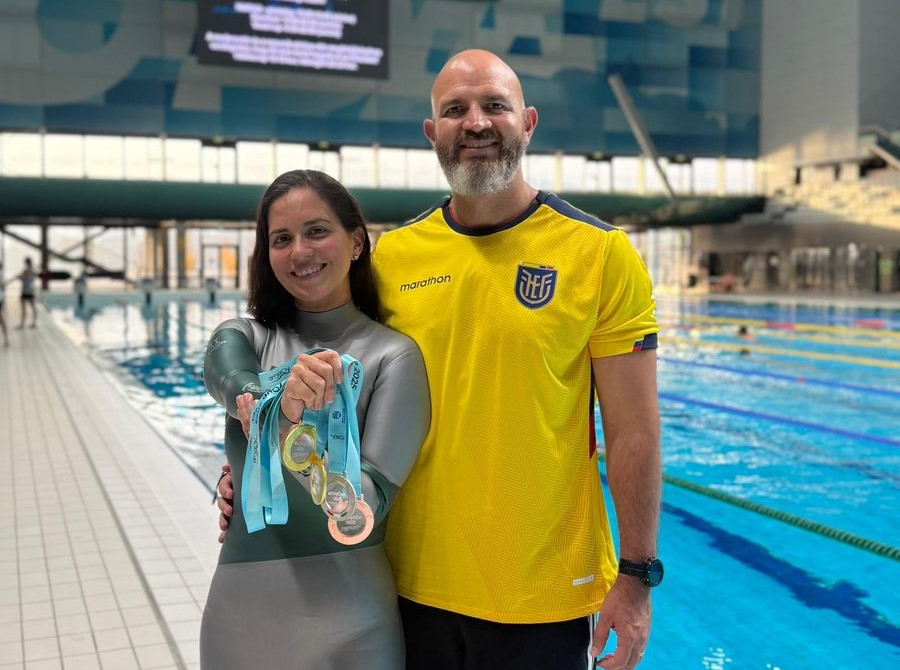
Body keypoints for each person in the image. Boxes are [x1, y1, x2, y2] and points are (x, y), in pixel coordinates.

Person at [219, 49, 662, 670]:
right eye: (455, 110)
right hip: (408, 587)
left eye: (494, 105)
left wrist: (637, 575)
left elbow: (634, 430)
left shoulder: (600, 254)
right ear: (432, 132)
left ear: (528, 122)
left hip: (542, 593)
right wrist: (250, 464)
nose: (475, 123)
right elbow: (329, 382)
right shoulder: (392, 258)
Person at [200, 169, 430, 670]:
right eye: (281, 239)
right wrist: (273, 402)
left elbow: (360, 513)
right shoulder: (248, 336)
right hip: (239, 620)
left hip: (352, 626)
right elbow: (226, 377)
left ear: (356, 242)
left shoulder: (393, 357)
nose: (299, 251)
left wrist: (289, 435)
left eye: (317, 231)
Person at [13, 257, 37, 329]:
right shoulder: (33, 271)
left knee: (24, 309)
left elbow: (21, 278)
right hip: (31, 291)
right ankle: (34, 323)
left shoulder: (26, 270)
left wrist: (18, 276)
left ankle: (22, 324)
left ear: (26, 263)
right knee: (33, 308)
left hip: (25, 292)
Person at [0, 261, 8, 346]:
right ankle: (6, 339)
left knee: (1, 319)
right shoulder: (2, 274)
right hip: (1, 298)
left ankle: (6, 339)